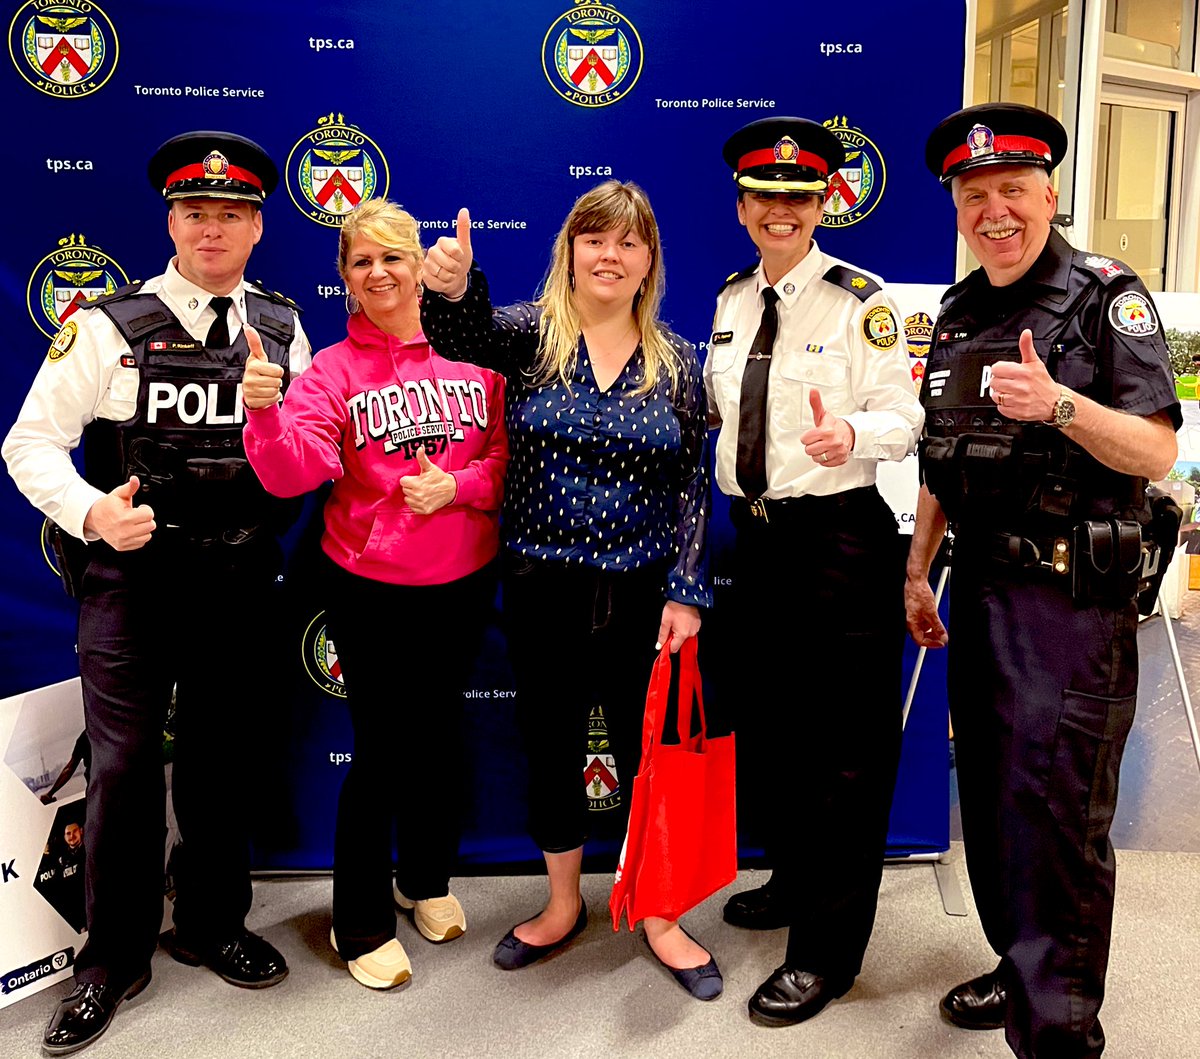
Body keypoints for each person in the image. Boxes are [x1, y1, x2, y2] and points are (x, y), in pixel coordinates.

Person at [3, 130, 311, 1055]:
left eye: (229, 214)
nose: (209, 227)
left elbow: (305, 464)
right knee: (127, 769)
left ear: (256, 226)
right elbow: (28, 444)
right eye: (193, 212)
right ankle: (111, 955)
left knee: (221, 760)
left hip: (238, 581)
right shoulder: (108, 324)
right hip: (133, 582)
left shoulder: (287, 331)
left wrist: (272, 412)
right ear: (171, 220)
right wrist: (97, 513)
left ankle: (212, 920)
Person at [905, 103, 1180, 1059]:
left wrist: (1061, 405)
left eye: (1012, 192)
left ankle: (1060, 1030)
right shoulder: (957, 311)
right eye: (974, 196)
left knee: (1058, 819)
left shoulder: (1108, 297)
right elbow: (949, 456)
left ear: (1049, 194)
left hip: (1072, 606)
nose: (995, 212)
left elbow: (1153, 450)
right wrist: (917, 567)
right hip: (979, 594)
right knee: (989, 803)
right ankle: (1017, 963)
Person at [420, 181, 718, 999]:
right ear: (571, 250)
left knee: (647, 756)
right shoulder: (528, 336)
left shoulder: (680, 362)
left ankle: (660, 913)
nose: (610, 255)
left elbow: (697, 480)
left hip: (645, 593)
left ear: (649, 260)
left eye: (628, 242)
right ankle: (561, 906)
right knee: (551, 746)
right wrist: (453, 286)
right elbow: (458, 335)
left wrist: (689, 589)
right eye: (595, 239)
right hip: (541, 587)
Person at [242, 198, 507, 989]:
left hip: (462, 583)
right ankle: (358, 918)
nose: (379, 272)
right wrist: (262, 417)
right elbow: (295, 471)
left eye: (393, 255)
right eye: (362, 261)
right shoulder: (331, 371)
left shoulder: (472, 353)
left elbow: (503, 464)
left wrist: (455, 486)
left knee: (436, 739)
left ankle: (423, 878)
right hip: (372, 588)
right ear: (346, 278)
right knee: (384, 749)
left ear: (419, 262)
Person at [706, 116, 923, 1027]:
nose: (780, 211)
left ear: (823, 202)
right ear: (744, 205)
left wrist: (853, 436)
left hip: (839, 540)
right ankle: (794, 880)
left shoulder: (861, 301)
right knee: (782, 732)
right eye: (765, 197)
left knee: (844, 756)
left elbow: (908, 419)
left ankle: (827, 954)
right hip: (757, 541)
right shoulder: (731, 299)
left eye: (798, 197)